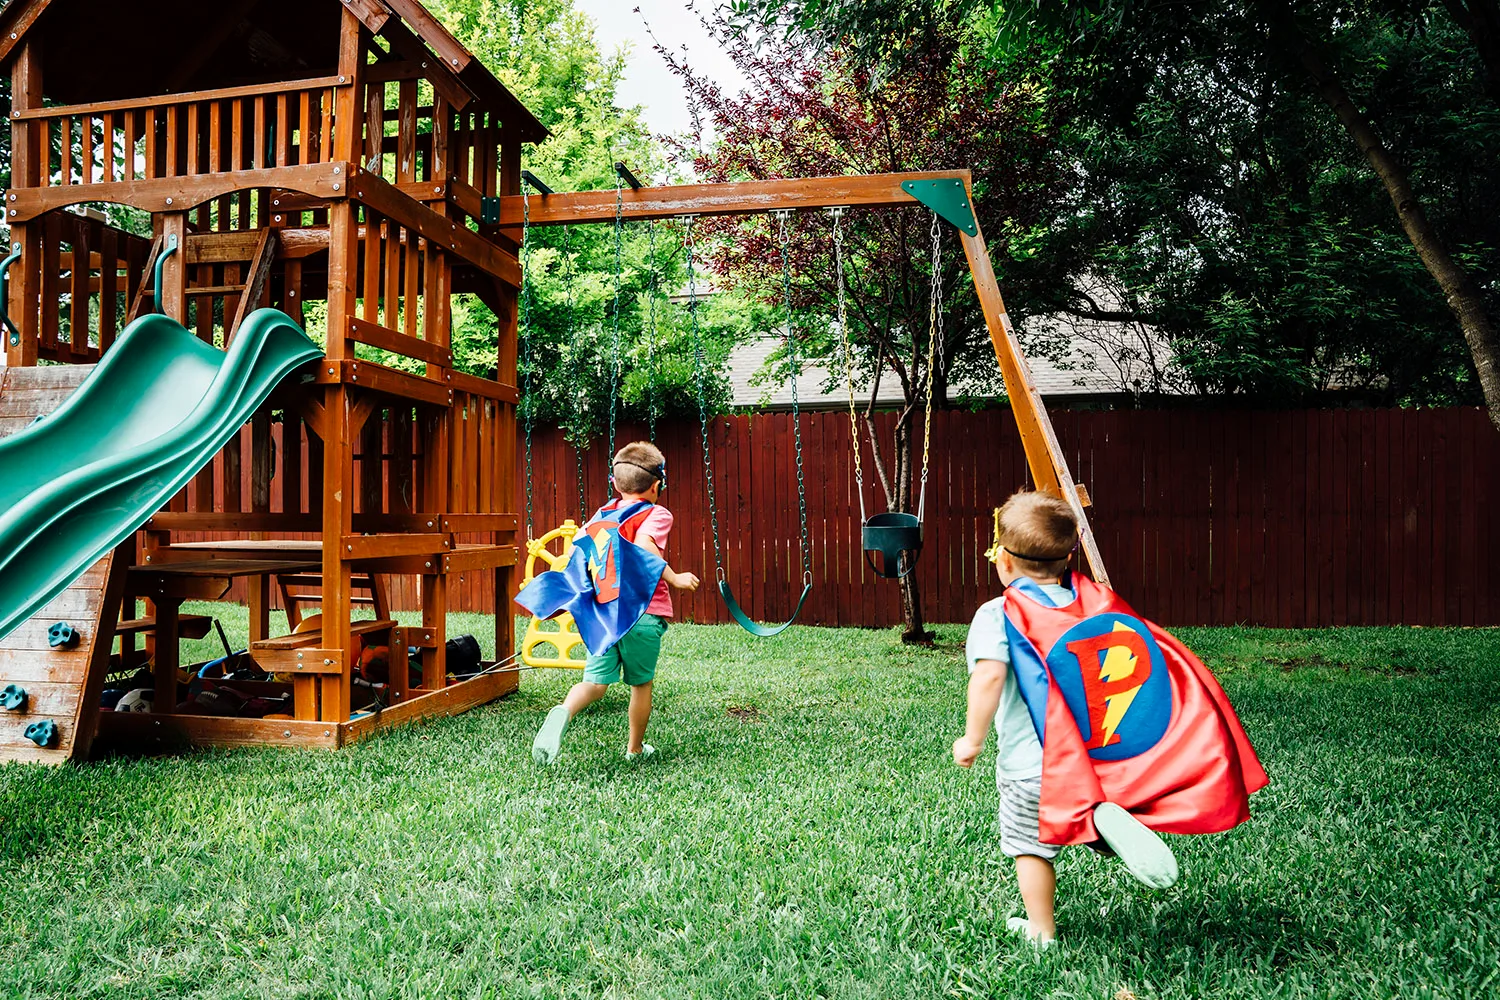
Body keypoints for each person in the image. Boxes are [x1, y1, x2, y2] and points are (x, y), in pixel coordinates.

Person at [953, 491, 1180, 949]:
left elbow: (989, 677)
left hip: (1032, 768)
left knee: (1029, 847)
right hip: (1094, 760)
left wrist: (971, 738)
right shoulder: (1091, 606)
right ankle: (1098, 826)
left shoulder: (998, 615)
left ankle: (1041, 928)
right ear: (1067, 558)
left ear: (1004, 564)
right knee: (1078, 803)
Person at [531, 441, 699, 765]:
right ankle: (634, 750)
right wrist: (675, 577)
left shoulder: (601, 516)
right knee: (641, 684)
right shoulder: (656, 513)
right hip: (641, 615)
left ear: (615, 484)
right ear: (656, 486)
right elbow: (645, 543)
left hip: (605, 616)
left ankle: (564, 712)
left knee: (593, 684)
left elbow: (579, 553)